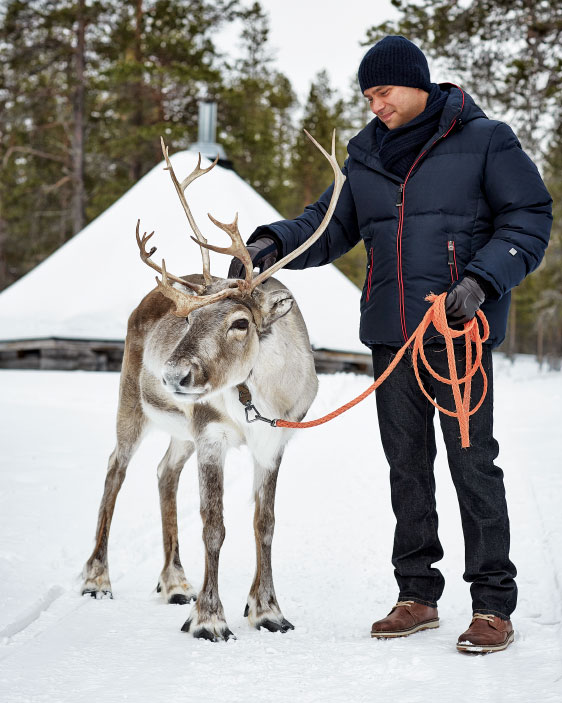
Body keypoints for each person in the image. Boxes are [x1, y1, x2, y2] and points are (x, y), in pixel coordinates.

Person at [228, 35, 552, 653]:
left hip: (456, 334)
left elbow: (530, 217)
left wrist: (483, 281)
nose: (375, 105)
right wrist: (270, 245)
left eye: (383, 93)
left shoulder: (486, 139)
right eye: (368, 96)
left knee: (471, 464)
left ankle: (492, 605)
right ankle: (416, 595)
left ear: (416, 83)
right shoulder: (365, 157)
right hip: (390, 336)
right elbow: (328, 226)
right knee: (407, 468)